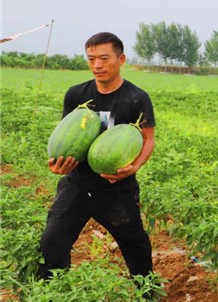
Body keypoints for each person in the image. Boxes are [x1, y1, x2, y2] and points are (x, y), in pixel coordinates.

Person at [38, 32, 156, 283]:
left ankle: (146, 292)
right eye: (91, 59)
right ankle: (48, 297)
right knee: (52, 240)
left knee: (137, 246)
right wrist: (59, 162)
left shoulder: (137, 98)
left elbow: (148, 139)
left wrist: (134, 166)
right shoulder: (76, 95)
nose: (97, 65)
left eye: (104, 58)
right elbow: (67, 135)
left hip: (117, 188)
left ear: (121, 59)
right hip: (77, 184)